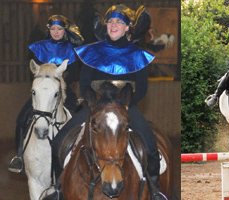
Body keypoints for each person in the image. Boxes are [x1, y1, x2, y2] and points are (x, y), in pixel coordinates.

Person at [44, 5, 167, 200]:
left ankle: (154, 190)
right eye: (110, 21)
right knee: (59, 141)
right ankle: (58, 189)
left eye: (119, 22)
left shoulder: (137, 54)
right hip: (95, 108)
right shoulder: (92, 52)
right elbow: (84, 84)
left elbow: (142, 88)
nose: (114, 25)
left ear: (127, 28)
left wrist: (127, 104)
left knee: (151, 145)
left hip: (125, 107)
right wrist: (93, 103)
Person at [8, 15, 83, 173]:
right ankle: (19, 156)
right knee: (21, 119)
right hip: (42, 92)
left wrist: (59, 79)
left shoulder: (72, 50)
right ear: (49, 30)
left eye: (59, 29)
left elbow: (75, 73)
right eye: (53, 29)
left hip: (63, 89)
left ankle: (81, 155)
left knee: (78, 118)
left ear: (64, 30)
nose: (56, 32)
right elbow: (33, 70)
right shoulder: (39, 47)